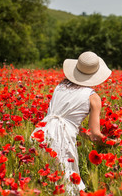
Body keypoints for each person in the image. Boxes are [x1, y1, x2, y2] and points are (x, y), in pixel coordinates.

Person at [31, 51, 112, 195]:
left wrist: (85, 135)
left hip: (40, 134)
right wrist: (112, 143)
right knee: (67, 185)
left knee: (44, 183)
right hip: (61, 141)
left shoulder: (60, 87)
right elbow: (95, 135)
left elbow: (70, 123)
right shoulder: (93, 97)